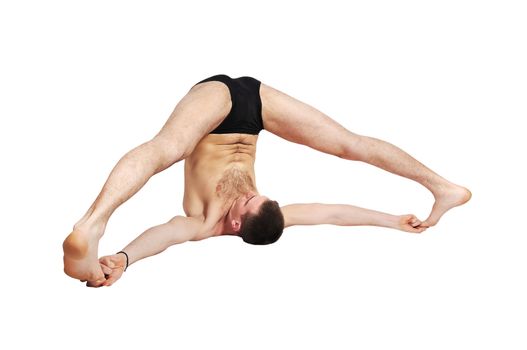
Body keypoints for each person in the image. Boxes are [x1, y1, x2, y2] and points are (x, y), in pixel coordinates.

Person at [63, 74, 471, 287]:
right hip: (257, 109)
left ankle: (92, 223)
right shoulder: (272, 216)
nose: (252, 193)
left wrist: (124, 258)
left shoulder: (204, 223)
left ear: (236, 224)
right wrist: (393, 221)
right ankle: (442, 187)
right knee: (349, 143)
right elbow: (332, 213)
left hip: (215, 105)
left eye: (247, 201)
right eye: (260, 196)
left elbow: (166, 235)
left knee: (170, 149)